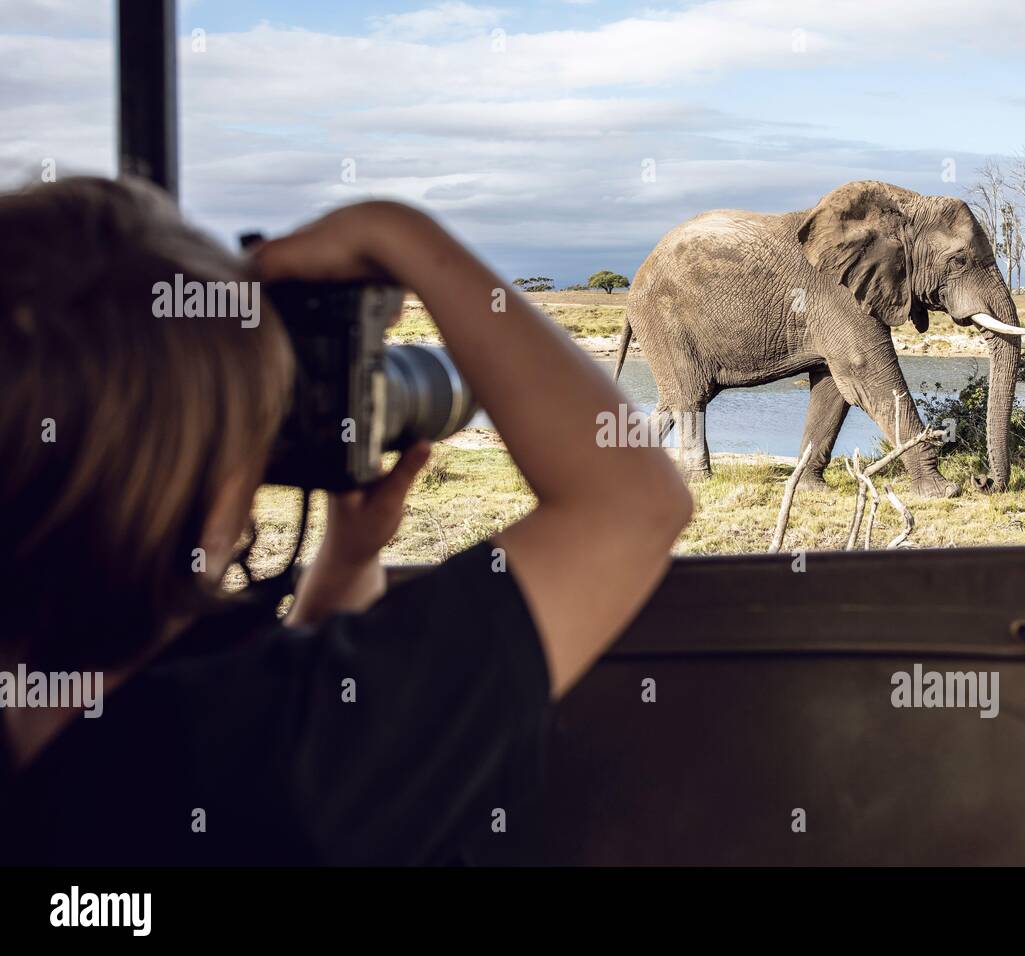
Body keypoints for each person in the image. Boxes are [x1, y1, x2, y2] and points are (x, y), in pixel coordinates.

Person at [0, 176, 693, 864]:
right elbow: (631, 503)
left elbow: (268, 708)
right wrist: (397, 233)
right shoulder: (273, 757)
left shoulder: (69, 732)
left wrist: (348, 558)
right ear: (209, 480)